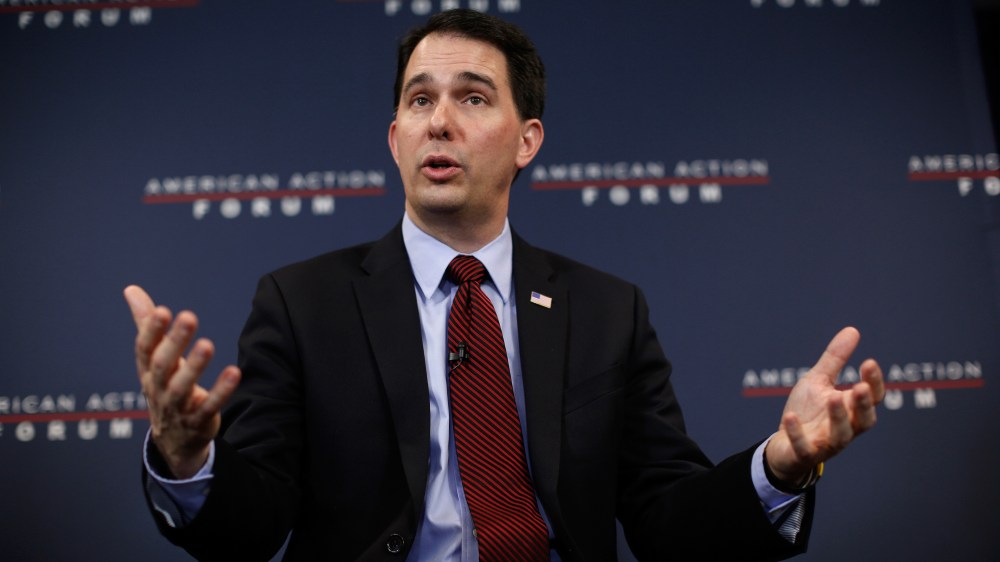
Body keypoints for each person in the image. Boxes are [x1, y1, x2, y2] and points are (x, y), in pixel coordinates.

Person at [125, 9, 884, 562]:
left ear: (528, 141)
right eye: (420, 100)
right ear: (395, 139)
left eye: (474, 98)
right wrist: (190, 461)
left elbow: (667, 521)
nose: (440, 122)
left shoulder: (607, 311)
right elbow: (251, 531)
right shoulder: (302, 303)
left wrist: (780, 466)